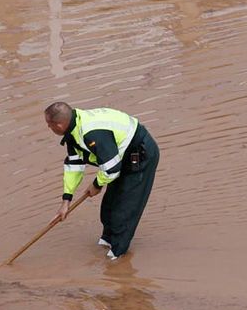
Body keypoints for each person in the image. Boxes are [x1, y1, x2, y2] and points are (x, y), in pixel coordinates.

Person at [43, 102, 160, 260]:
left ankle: (117, 258)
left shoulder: (92, 134)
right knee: (108, 207)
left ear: (59, 124)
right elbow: (74, 165)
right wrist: (66, 200)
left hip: (139, 155)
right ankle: (107, 243)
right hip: (119, 157)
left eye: (49, 125)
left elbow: (111, 169)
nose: (49, 129)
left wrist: (97, 184)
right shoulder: (73, 130)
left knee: (124, 211)